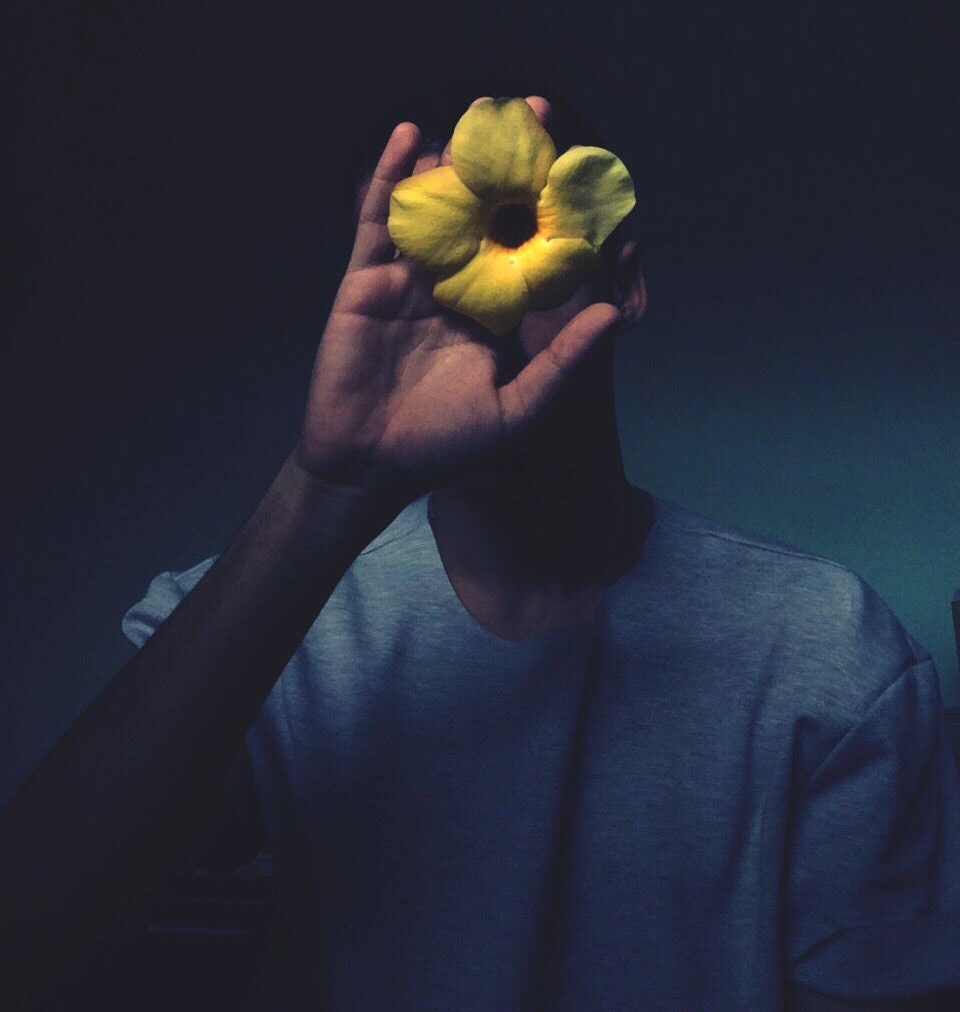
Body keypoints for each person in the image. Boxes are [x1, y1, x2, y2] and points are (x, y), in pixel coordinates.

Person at [2, 96, 959, 1011]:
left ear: (621, 282)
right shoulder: (283, 619)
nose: (475, 304)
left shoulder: (828, 655)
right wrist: (325, 492)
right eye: (425, 257)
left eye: (510, 229)